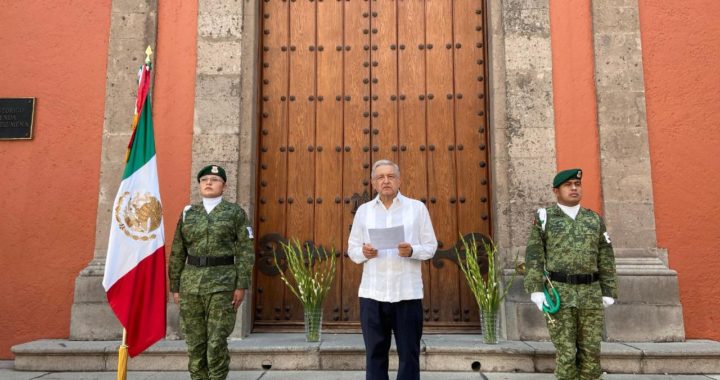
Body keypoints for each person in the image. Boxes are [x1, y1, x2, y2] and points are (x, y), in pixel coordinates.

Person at [523, 168, 618, 380]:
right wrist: (535, 289)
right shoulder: (545, 218)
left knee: (591, 353)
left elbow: (606, 255)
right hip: (560, 292)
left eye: (577, 184)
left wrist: (608, 290)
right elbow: (534, 255)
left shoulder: (593, 219)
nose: (574, 188)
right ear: (556, 191)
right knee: (566, 353)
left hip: (591, 294)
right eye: (568, 185)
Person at [348, 159, 438, 380]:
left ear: (399, 180)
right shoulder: (364, 211)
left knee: (409, 354)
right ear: (373, 182)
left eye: (391, 176)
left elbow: (431, 247)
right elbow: (352, 249)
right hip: (372, 294)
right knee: (375, 355)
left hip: (407, 293)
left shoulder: (417, 208)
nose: (386, 181)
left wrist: (412, 251)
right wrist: (364, 253)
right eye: (380, 177)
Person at [168, 165, 255, 380]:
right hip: (191, 285)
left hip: (223, 284)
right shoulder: (188, 213)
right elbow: (178, 251)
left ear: (224, 186)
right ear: (199, 185)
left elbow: (245, 250)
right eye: (204, 179)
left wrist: (241, 284)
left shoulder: (235, 213)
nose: (208, 183)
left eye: (214, 180)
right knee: (195, 344)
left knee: (216, 343)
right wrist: (175, 287)